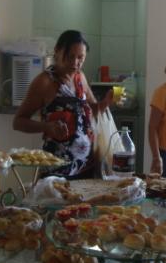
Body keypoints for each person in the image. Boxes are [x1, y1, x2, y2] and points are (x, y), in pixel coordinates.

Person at [13, 30, 112, 179]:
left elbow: (93, 112)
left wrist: (106, 102)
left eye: (80, 57)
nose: (75, 62)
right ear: (57, 51)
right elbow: (18, 122)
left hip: (87, 167)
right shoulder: (44, 82)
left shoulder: (80, 77)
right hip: (57, 171)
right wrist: (46, 127)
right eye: (70, 56)